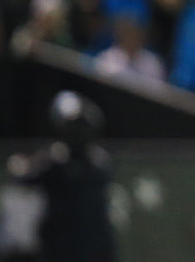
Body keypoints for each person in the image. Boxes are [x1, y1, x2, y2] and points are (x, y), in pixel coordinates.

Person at [10, 91, 116, 262]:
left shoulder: (64, 164)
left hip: (82, 246)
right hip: (65, 246)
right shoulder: (59, 163)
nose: (78, 133)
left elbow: (23, 176)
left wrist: (22, 165)